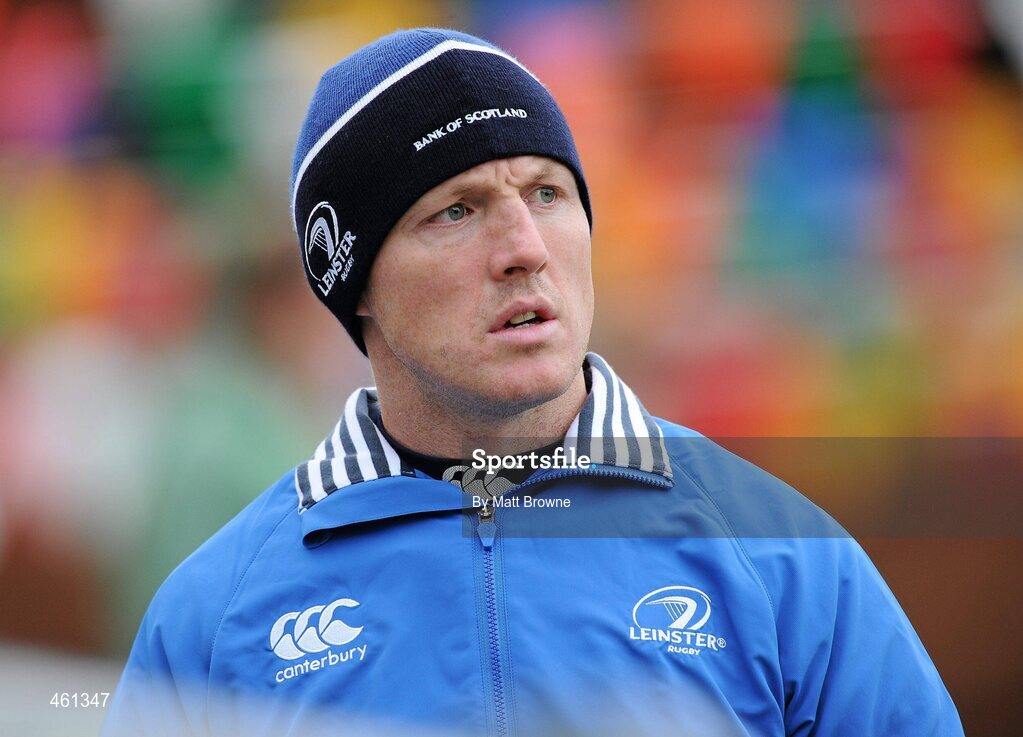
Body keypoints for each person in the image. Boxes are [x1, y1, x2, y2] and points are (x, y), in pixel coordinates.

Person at [103, 28, 964, 737]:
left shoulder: (787, 558)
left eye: (547, 193)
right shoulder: (215, 616)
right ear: (353, 282)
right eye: (456, 210)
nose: (524, 246)